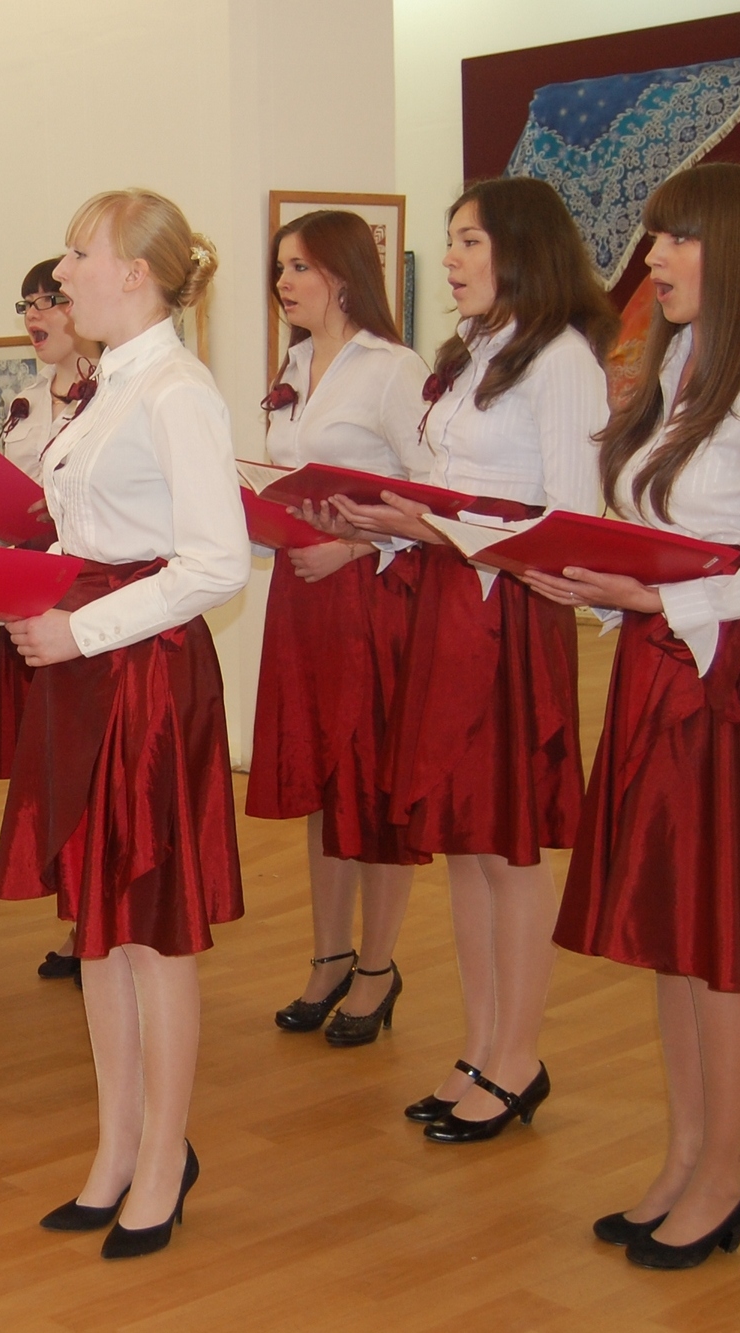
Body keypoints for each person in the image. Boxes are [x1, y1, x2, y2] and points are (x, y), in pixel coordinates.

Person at [529, 163, 740, 1268]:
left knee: (718, 943)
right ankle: (683, 1157)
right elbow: (649, 531)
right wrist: (596, 584)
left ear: (734, 249)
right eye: (654, 237)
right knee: (670, 935)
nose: (651, 258)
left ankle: (724, 1174)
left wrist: (664, 599)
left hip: (724, 681)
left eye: (675, 239)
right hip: (656, 668)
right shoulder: (675, 370)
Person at [327, 177, 616, 1143]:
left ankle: (518, 1056)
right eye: (450, 240)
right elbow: (451, 486)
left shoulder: (561, 358)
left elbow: (568, 523)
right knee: (464, 842)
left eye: (468, 241)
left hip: (508, 616)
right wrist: (387, 520)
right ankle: (480, 1043)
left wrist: (429, 526)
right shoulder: (472, 350)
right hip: (448, 603)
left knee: (508, 849)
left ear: (522, 249)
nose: (448, 259)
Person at [0, 189, 246, 1260]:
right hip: (84, 665)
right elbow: (86, 531)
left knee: (147, 927)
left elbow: (216, 562)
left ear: (135, 272)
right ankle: (116, 1147)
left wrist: (82, 628)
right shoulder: (108, 387)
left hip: (139, 674)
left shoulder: (178, 391)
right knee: (96, 922)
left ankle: (163, 1157)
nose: (61, 274)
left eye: (78, 253)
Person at [246, 211, 431, 1045]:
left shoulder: (393, 368)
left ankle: (378, 967)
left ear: (345, 275)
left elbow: (430, 497)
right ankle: (328, 956)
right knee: (321, 776)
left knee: (373, 784)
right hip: (301, 592)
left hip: (369, 595)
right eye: (281, 267)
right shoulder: (292, 363)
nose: (283, 281)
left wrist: (357, 545)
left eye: (300, 267)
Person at [0, 257, 102, 982]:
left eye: (50, 300)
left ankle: (98, 913)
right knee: (50, 766)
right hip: (28, 594)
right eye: (27, 303)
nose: (35, 315)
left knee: (92, 759)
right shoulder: (26, 401)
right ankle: (74, 911)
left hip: (90, 596)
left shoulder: (113, 393)